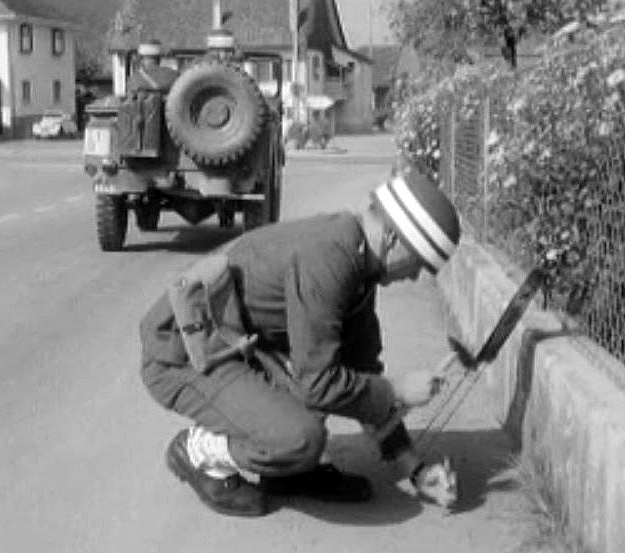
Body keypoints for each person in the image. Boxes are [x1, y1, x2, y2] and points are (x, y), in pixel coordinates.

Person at [139, 168, 461, 517]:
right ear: (393, 240)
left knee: (338, 381)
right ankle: (199, 451)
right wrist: (396, 389)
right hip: (181, 355)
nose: (413, 277)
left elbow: (361, 370)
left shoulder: (358, 262)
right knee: (299, 436)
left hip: (237, 346)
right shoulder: (330, 259)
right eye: (417, 265)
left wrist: (415, 469)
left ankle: (292, 475)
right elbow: (320, 385)